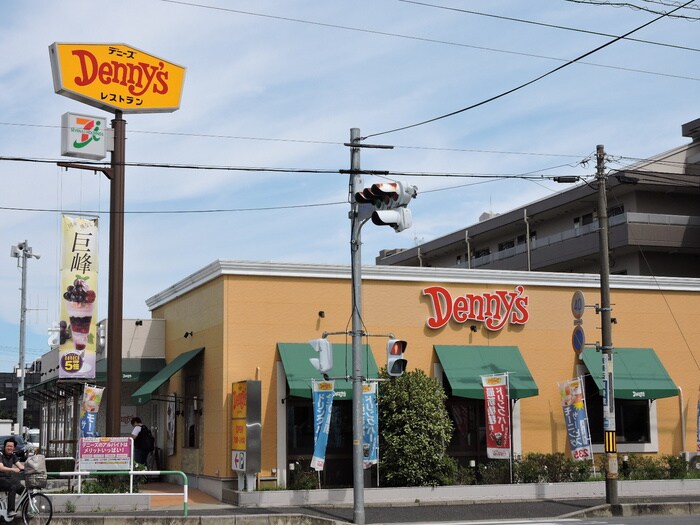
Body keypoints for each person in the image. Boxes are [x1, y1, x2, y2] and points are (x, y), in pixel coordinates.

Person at [0, 438, 25, 517]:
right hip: (0, 479)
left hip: (8, 479)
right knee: (12, 487)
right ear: (4, 447)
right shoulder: (0, 454)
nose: (9, 448)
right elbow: (1, 468)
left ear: (14, 448)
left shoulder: (13, 456)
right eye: (8, 446)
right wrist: (13, 469)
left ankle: (25, 511)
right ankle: (10, 511)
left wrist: (30, 469)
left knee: (24, 491)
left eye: (11, 446)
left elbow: (20, 466)